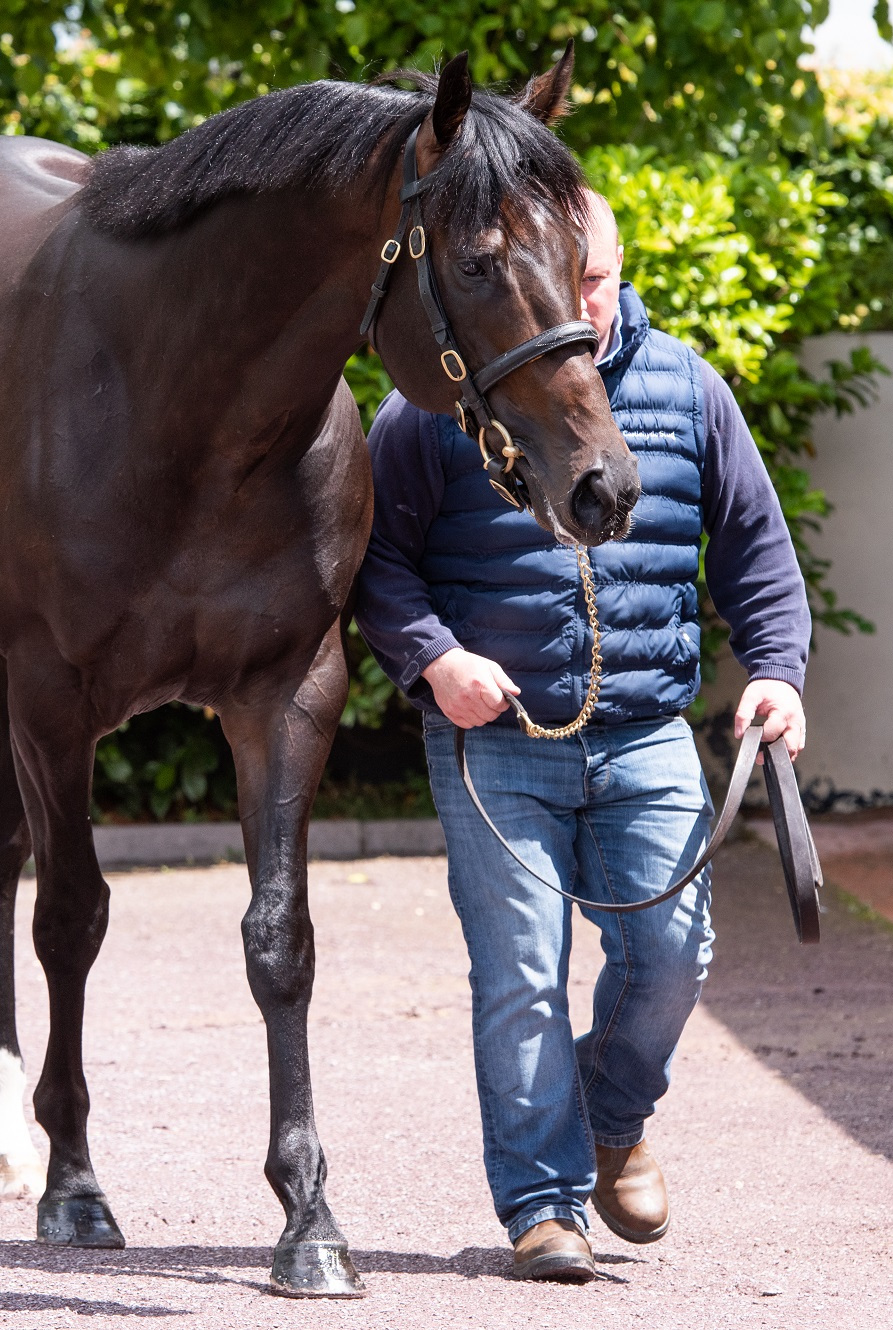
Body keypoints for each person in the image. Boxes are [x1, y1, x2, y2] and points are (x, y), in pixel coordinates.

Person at [351, 187, 811, 1284]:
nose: (582, 303)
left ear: (614, 268)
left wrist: (778, 676)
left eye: (596, 280)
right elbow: (373, 558)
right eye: (567, 280)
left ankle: (612, 1120)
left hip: (649, 733)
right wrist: (433, 656)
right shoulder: (439, 399)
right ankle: (543, 1206)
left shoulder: (689, 384)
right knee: (520, 975)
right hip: (498, 738)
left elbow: (754, 547)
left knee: (673, 953)